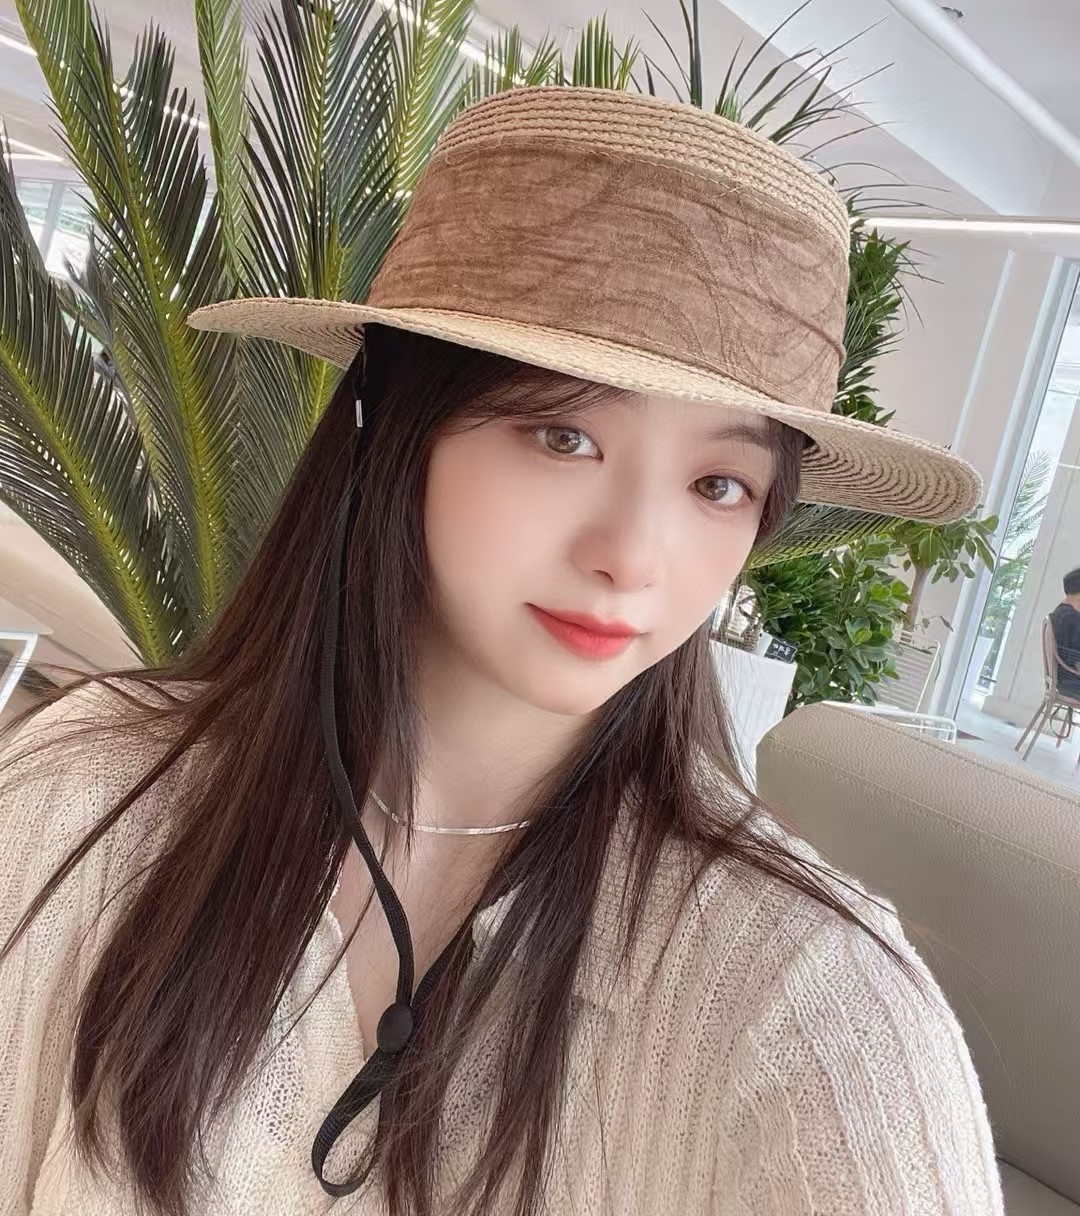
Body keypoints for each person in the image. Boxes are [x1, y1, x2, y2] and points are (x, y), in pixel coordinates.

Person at [0, 86, 1002, 1216]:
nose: (632, 555)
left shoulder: (813, 1007)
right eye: (562, 434)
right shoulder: (88, 795)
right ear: (393, 422)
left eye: (718, 484)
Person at [1049, 567, 1080, 697]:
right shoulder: (1072, 618)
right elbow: (1075, 659)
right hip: (1071, 682)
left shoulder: (1060, 612)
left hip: (1063, 680)